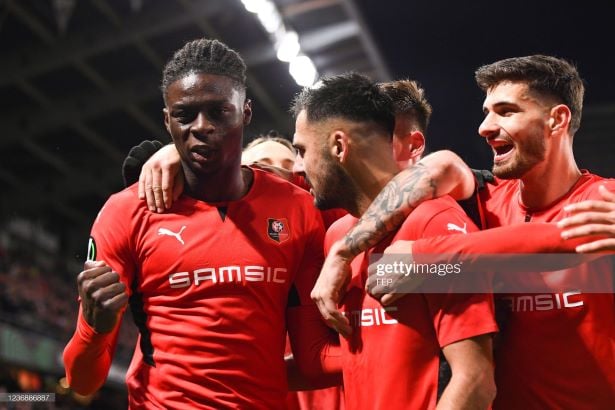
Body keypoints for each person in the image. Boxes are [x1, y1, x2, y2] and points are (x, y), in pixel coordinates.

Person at [312, 55, 615, 409]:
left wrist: (425, 258)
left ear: (557, 119)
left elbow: (565, 242)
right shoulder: (485, 202)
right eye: (486, 111)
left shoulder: (605, 200)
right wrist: (343, 251)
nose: (485, 126)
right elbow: (440, 165)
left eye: (506, 111)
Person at [63, 38, 340, 409]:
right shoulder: (126, 212)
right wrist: (93, 330)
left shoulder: (299, 209)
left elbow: (313, 358)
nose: (201, 127)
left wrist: (397, 342)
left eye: (218, 112)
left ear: (246, 113)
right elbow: (82, 382)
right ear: (167, 120)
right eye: (184, 115)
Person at [292, 73, 498, 409]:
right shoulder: (336, 237)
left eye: (301, 150)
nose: (298, 166)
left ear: (339, 146)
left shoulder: (435, 221)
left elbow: (475, 379)